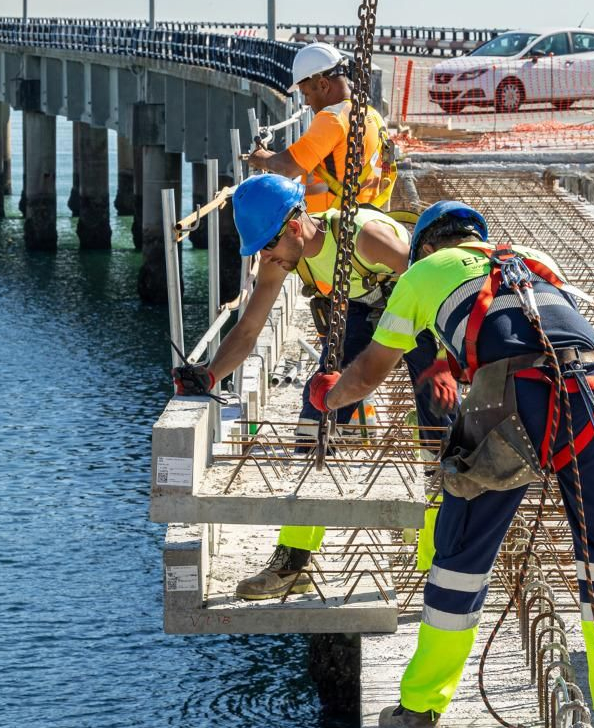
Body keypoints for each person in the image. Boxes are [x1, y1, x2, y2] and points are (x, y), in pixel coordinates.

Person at [303, 201, 594, 728]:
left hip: (512, 398)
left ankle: (420, 710)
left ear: (423, 248)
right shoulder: (531, 258)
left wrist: (331, 396)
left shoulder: (419, 275)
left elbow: (370, 371)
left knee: (461, 554)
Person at [171, 173, 456, 599]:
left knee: (439, 434)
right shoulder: (279, 256)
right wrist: (210, 374)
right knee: (316, 418)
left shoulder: (368, 237)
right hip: (360, 311)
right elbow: (249, 329)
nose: (268, 257)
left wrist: (447, 362)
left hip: (417, 307)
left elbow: (435, 288)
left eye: (268, 245)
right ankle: (294, 561)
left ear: (293, 226)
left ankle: (439, 558)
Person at [247, 41, 398, 214]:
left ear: (324, 85)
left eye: (306, 93)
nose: (306, 102)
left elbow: (288, 166)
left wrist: (262, 158)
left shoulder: (332, 119)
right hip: (367, 219)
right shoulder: (372, 115)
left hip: (332, 229)